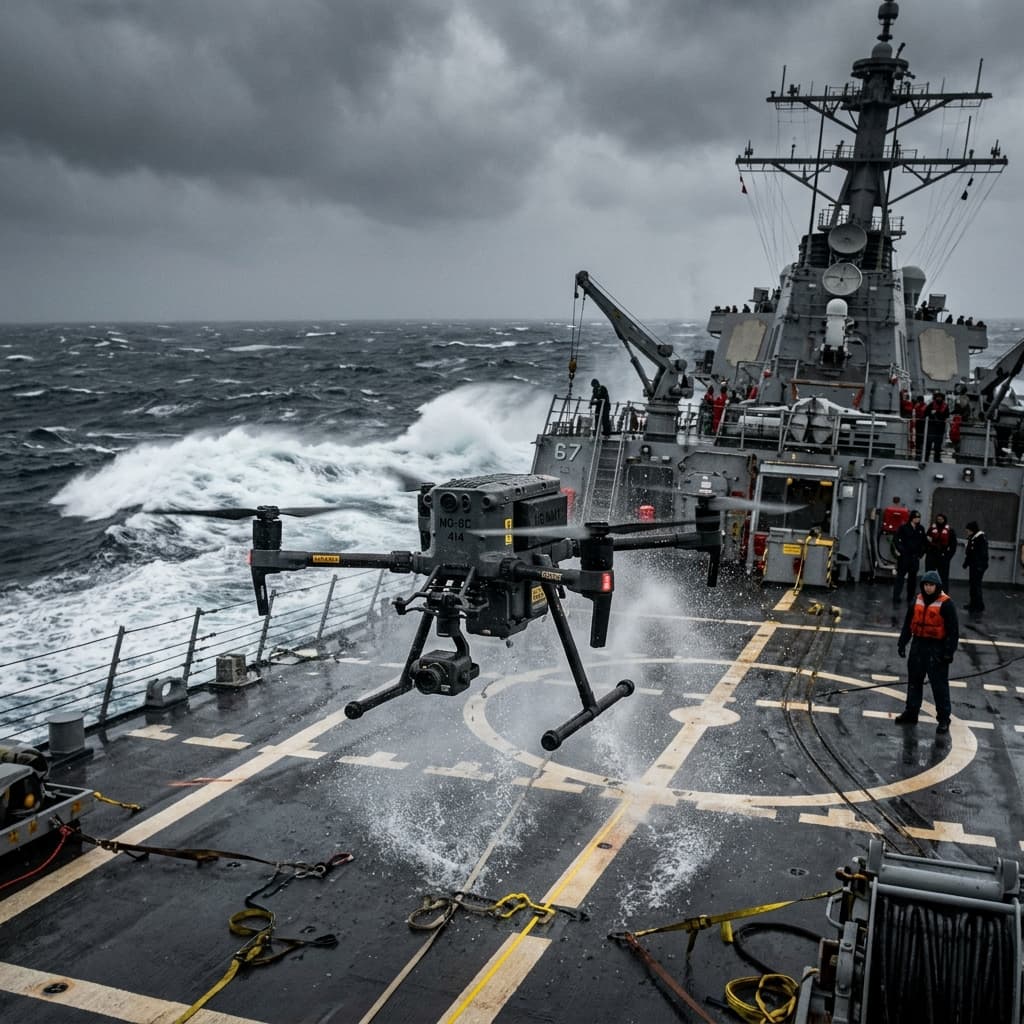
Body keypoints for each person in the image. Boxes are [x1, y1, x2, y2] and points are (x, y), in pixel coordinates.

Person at [895, 570, 959, 734]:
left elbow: (953, 631)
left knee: (939, 686)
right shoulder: (917, 600)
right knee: (914, 682)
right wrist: (902, 643)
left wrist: (948, 653)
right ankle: (911, 712)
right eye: (926, 585)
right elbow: (908, 624)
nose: (928, 588)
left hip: (936, 648)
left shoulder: (946, 604)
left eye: (931, 585)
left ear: (937, 586)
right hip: (918, 645)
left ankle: (944, 718)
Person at [892, 510, 926, 605]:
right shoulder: (904, 528)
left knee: (912, 579)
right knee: (900, 577)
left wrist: (921, 554)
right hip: (905, 556)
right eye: (915, 517)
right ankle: (896, 596)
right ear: (912, 518)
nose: (917, 519)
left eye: (918, 517)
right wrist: (901, 549)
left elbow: (924, 542)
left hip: (915, 557)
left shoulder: (920, 529)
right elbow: (896, 539)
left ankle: (910, 597)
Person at [924, 513, 957, 592]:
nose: (939, 521)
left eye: (941, 519)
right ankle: (928, 593)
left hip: (943, 556)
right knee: (929, 576)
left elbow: (953, 545)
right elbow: (926, 541)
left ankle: (944, 594)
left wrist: (948, 557)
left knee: (943, 578)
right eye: (938, 519)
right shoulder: (931, 529)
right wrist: (927, 552)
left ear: (944, 520)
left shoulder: (950, 531)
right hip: (932, 555)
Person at [962, 521, 989, 613]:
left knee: (976, 586)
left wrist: (980, 566)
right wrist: (966, 563)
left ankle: (979, 605)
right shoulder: (972, 538)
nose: (967, 533)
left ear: (972, 530)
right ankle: (973, 604)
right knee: (973, 585)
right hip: (973, 565)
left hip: (978, 566)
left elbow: (982, 553)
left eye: (968, 531)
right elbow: (970, 553)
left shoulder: (980, 538)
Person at [923, 391, 949, 463]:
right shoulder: (931, 405)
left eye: (940, 397)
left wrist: (937, 413)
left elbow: (946, 415)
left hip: (940, 428)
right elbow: (925, 413)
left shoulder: (945, 406)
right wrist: (931, 415)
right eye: (938, 397)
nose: (939, 398)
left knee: (938, 446)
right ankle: (926, 458)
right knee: (928, 444)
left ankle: (937, 459)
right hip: (931, 427)